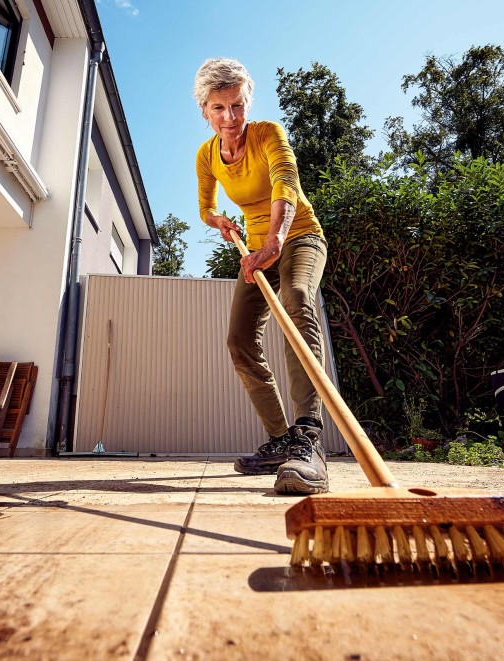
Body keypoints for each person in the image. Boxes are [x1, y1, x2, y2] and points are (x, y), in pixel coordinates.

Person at [193, 57, 329, 494]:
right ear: (205, 111)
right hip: (255, 251)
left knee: (297, 297)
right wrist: (222, 224)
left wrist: (274, 242)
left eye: (237, 106)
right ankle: (280, 440)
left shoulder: (268, 134)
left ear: (247, 103)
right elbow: (206, 208)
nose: (230, 118)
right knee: (239, 340)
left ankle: (308, 437)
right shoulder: (206, 156)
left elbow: (286, 184)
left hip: (299, 237)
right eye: (219, 108)